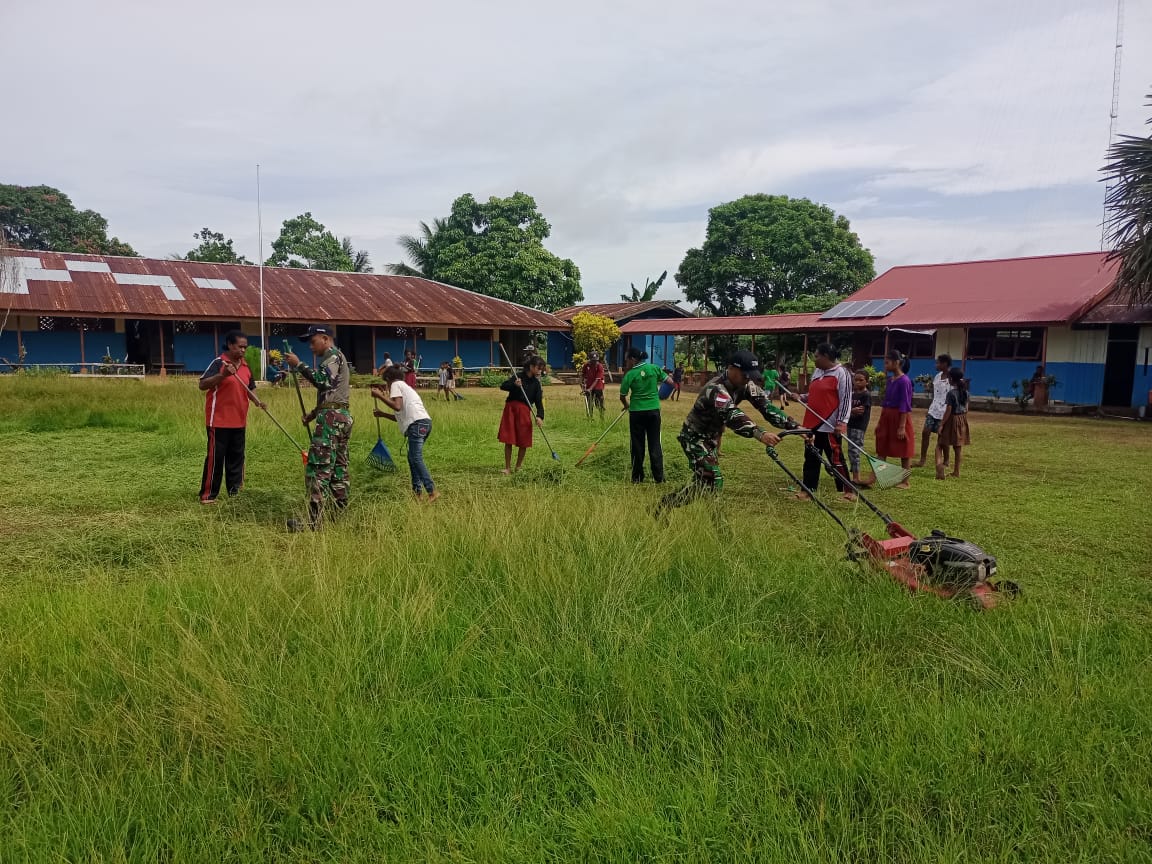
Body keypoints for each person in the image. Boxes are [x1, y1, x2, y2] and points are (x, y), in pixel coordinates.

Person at [656, 350, 795, 515]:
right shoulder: (716, 388)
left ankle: (664, 506)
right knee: (713, 478)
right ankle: (721, 527)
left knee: (704, 483)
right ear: (731, 369)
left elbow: (767, 407)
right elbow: (731, 415)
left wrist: (794, 427)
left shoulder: (745, 385)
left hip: (710, 439)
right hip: (694, 438)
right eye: (744, 374)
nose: (748, 378)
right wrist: (760, 433)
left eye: (751, 375)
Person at [284, 325, 353, 528]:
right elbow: (332, 395)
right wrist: (313, 415)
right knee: (339, 467)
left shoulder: (332, 356)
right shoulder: (336, 357)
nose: (311, 348)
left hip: (332, 420)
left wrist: (299, 365)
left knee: (318, 468)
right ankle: (338, 514)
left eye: (313, 342)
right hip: (339, 416)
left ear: (325, 338)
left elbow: (323, 382)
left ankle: (314, 522)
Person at [197, 330, 265, 504]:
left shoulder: (245, 365)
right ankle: (208, 495)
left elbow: (250, 388)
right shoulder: (219, 363)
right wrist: (222, 375)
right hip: (218, 421)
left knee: (237, 458)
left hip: (239, 420)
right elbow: (203, 384)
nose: (243, 350)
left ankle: (235, 493)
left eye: (245, 347)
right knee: (216, 458)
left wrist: (258, 401)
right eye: (239, 346)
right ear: (229, 344)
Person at [795, 343, 853, 502]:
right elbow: (813, 393)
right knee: (811, 458)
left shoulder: (842, 373)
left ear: (826, 356)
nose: (815, 359)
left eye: (817, 356)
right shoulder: (818, 372)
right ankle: (808, 490)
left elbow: (846, 399)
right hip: (811, 423)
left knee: (836, 458)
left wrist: (841, 422)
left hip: (830, 425)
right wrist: (802, 397)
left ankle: (848, 491)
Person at [372, 365, 438, 501]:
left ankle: (432, 491)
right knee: (412, 457)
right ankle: (417, 492)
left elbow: (397, 406)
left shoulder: (396, 384)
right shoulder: (405, 387)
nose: (387, 387)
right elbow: (400, 414)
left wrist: (379, 396)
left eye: (386, 383)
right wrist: (382, 414)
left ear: (389, 379)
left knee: (416, 457)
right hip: (423, 423)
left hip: (417, 424)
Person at [619, 346, 672, 483]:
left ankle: (637, 477)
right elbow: (671, 382)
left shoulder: (630, 375)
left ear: (632, 359)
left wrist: (626, 405)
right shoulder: (654, 368)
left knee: (637, 445)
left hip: (636, 413)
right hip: (653, 411)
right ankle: (659, 478)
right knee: (655, 444)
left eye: (627, 360)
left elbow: (622, 395)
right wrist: (660, 394)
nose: (626, 363)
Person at [498, 355, 546, 474]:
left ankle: (518, 467)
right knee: (508, 439)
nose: (540, 371)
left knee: (524, 439)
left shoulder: (536, 384)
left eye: (541, 369)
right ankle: (507, 468)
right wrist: (514, 384)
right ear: (531, 366)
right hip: (511, 409)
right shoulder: (518, 376)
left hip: (524, 411)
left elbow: (539, 402)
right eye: (538, 368)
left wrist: (540, 416)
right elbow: (503, 386)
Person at [874, 349, 913, 488]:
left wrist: (902, 426)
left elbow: (905, 404)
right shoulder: (890, 380)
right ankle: (880, 476)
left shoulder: (904, 381)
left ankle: (905, 481)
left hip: (899, 417)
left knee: (904, 450)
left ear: (897, 363)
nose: (885, 366)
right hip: (887, 416)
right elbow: (885, 401)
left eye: (887, 362)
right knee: (882, 446)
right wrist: (880, 422)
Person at [914, 354, 952, 468]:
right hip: (934, 410)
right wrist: (930, 408)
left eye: (938, 363)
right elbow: (936, 395)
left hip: (945, 411)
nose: (936, 365)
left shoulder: (952, 378)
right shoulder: (937, 376)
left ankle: (946, 461)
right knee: (925, 432)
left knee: (942, 437)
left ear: (945, 364)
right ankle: (922, 459)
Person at [936, 367, 971, 480]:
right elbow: (966, 408)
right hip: (962, 419)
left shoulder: (951, 393)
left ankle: (939, 466)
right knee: (958, 447)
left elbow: (948, 410)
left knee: (940, 444)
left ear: (951, 379)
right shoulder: (966, 392)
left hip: (952, 419)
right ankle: (956, 471)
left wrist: (941, 424)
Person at [847, 370, 875, 487]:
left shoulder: (866, 395)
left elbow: (860, 412)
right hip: (849, 425)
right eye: (855, 379)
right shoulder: (852, 394)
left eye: (861, 380)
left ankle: (856, 478)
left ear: (867, 382)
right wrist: (850, 412)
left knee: (855, 451)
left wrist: (850, 412)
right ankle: (855, 475)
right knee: (851, 451)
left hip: (859, 427)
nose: (857, 382)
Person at [582, 351, 606, 418]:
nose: (595, 362)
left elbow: (597, 379)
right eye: (593, 360)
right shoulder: (586, 365)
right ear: (590, 359)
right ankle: (590, 418)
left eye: (596, 360)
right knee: (589, 403)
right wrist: (583, 384)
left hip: (598, 387)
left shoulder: (599, 366)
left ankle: (602, 418)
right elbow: (583, 375)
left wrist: (590, 389)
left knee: (599, 403)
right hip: (589, 386)